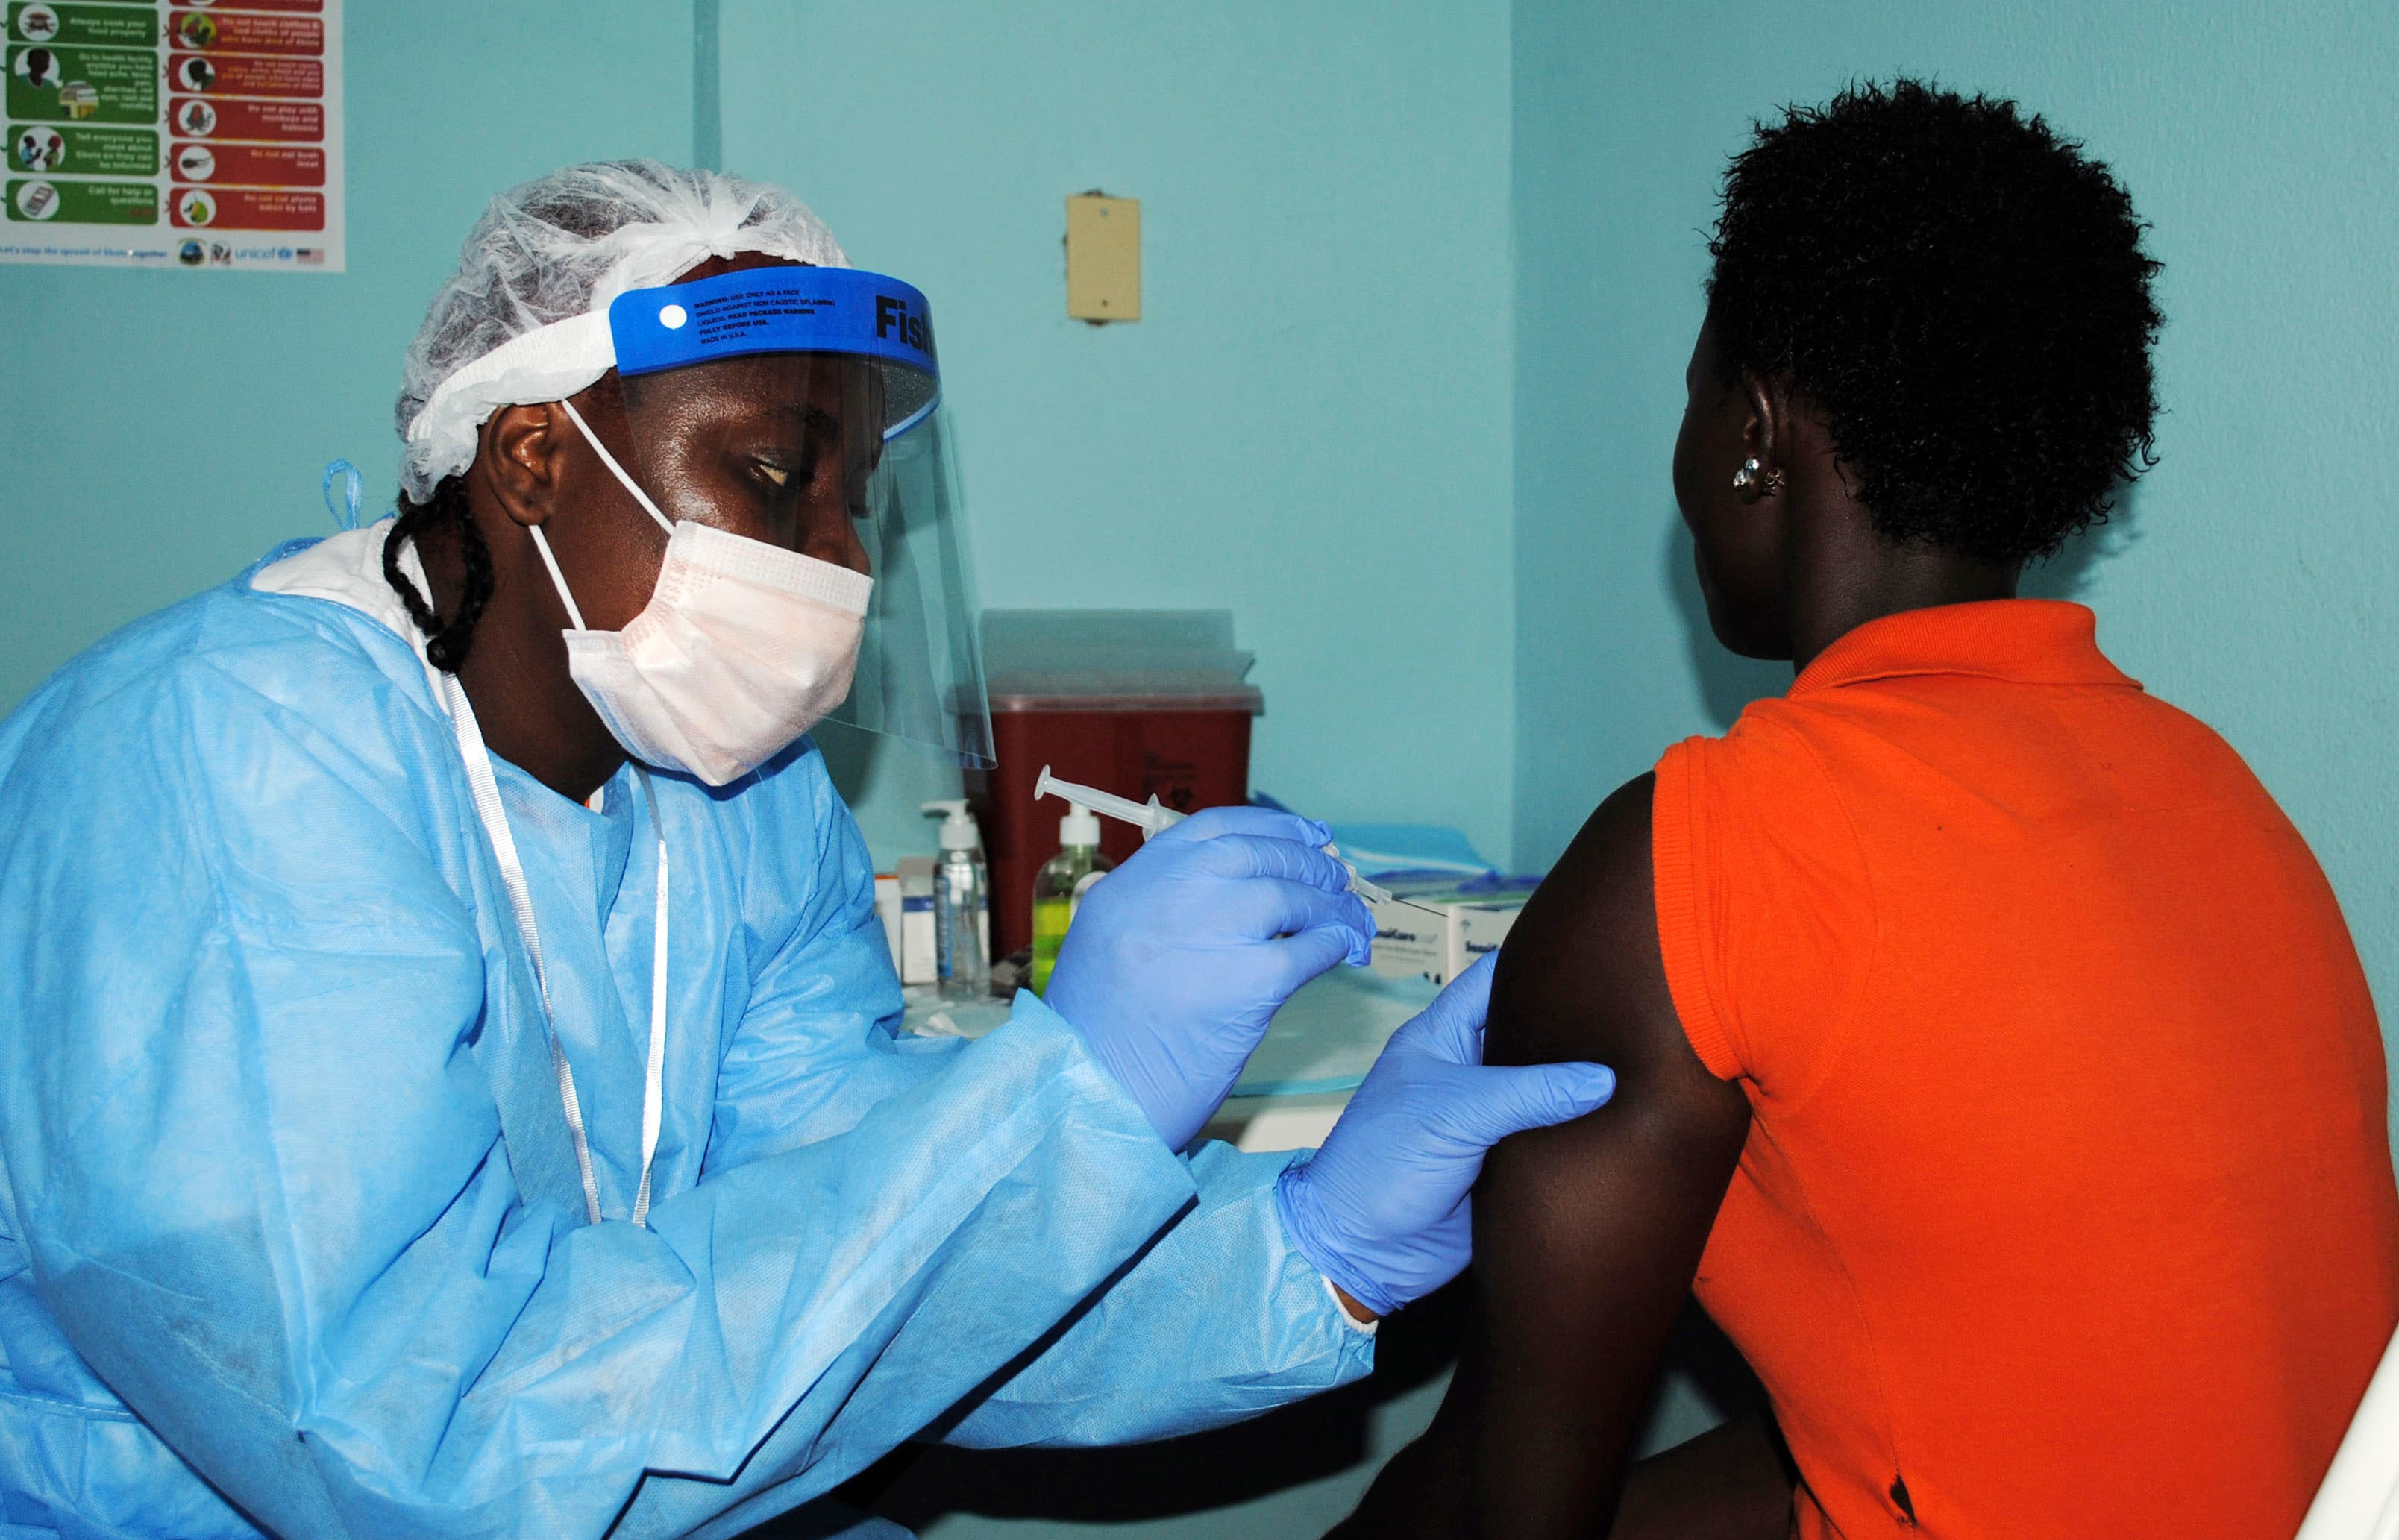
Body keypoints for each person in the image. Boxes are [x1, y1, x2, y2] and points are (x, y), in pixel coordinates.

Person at [0, 161, 1616, 1540]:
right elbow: (403, 1441)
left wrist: (1305, 1252)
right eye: (775, 479)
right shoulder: (228, 762)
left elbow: (884, 1268)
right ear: (532, 458)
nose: (836, 563)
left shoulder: (741, 804)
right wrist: (1064, 1088)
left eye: (858, 505)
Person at [1337, 81, 2399, 1539]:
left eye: (1701, 388)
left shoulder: (1705, 858)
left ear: (1756, 436)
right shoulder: (2222, 803)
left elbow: (1502, 1505)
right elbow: (1946, 1421)